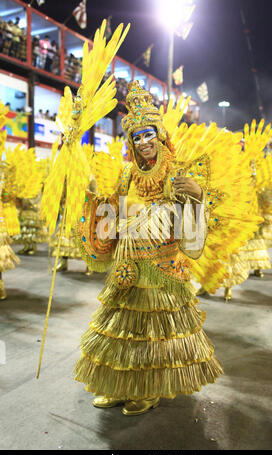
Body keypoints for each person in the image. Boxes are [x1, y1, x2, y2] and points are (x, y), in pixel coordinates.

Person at [73, 81, 223, 415]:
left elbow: (192, 230)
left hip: (160, 272)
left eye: (148, 135)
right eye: (136, 137)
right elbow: (110, 210)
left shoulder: (176, 174)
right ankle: (119, 385)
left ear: (159, 134)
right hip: (127, 268)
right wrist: (93, 195)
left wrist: (197, 196)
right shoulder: (125, 174)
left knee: (151, 336)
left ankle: (147, 389)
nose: (143, 143)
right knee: (122, 330)